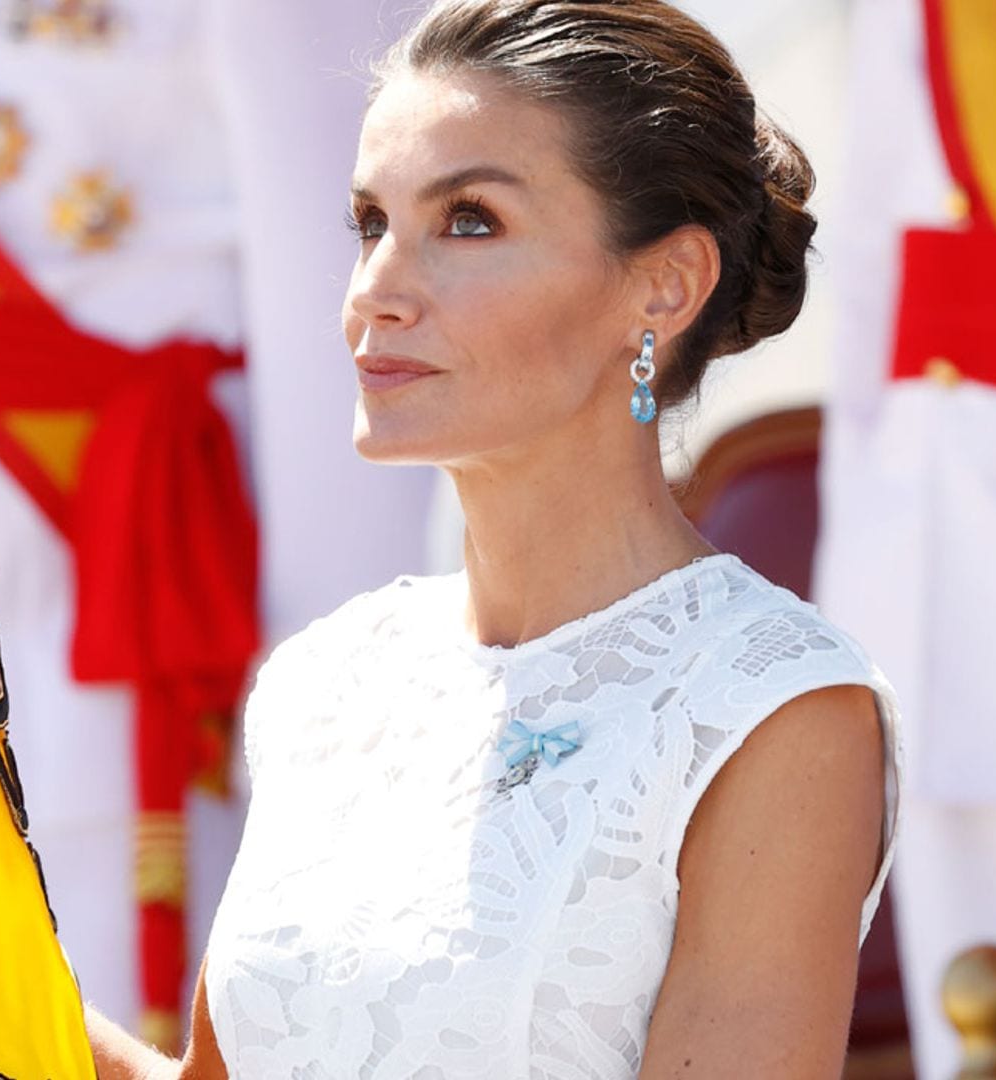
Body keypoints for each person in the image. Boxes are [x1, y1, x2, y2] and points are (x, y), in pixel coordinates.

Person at [86, 0, 902, 1074]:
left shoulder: (773, 710)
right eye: (371, 224)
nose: (376, 291)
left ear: (665, 285)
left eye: (468, 221)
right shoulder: (325, 682)